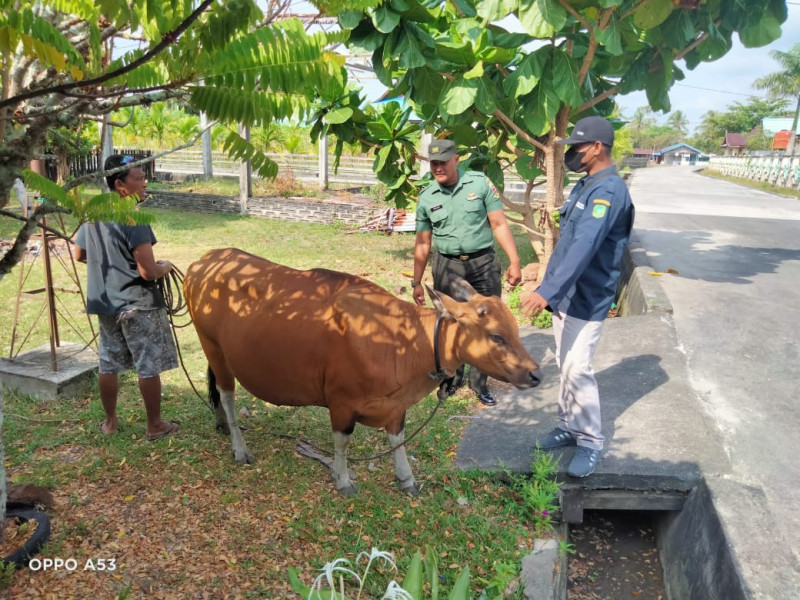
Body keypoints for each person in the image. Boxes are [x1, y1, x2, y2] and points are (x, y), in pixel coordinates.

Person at [521, 116, 634, 478]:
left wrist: (545, 292)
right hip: (566, 296)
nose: (572, 153)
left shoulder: (609, 192)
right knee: (565, 365)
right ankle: (568, 425)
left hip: (587, 297)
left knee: (577, 368)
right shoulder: (587, 185)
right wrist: (550, 287)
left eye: (577, 147)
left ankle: (589, 440)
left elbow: (584, 247)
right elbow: (568, 240)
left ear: (597, 147)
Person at [74, 154, 179, 440]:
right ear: (120, 185)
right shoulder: (134, 216)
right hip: (138, 304)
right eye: (138, 178)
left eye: (144, 177)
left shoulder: (94, 212)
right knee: (147, 362)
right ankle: (155, 425)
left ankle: (110, 422)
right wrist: (166, 267)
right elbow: (147, 271)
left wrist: (111, 269)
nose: (145, 183)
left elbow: (80, 254)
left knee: (108, 362)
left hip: (104, 301)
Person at [412, 139, 522, 406]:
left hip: (483, 262)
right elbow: (423, 243)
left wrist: (515, 260)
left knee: (487, 322)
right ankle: (451, 377)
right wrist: (416, 281)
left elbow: (498, 224)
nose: (438, 168)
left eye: (443, 162)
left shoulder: (479, 183)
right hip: (447, 265)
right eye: (434, 163)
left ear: (456, 159)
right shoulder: (427, 197)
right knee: (450, 321)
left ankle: (478, 382)